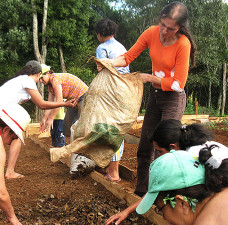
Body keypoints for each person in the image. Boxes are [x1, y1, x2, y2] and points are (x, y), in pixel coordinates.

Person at [97, 1, 197, 196]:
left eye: (171, 28)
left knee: (165, 148)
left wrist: (150, 78)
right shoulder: (151, 33)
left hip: (173, 99)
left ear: (180, 28)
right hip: (155, 96)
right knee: (145, 145)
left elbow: (178, 84)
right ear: (159, 20)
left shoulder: (183, 44)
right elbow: (127, 58)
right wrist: (108, 62)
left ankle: (165, 196)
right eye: (162, 24)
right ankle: (142, 193)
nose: (164, 31)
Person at [106, 119, 226, 224]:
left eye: (160, 151)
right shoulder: (190, 154)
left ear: (173, 146)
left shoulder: (190, 159)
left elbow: (162, 191)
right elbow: (160, 190)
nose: (160, 156)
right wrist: (127, 211)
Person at [0, 60, 76, 179]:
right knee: (17, 136)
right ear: (38, 73)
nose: (39, 80)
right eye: (39, 77)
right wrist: (64, 104)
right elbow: (41, 104)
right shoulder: (28, 80)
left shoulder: (20, 79)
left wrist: (46, 117)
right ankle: (9, 171)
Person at [95, 18, 130, 182]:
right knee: (117, 128)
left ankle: (114, 172)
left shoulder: (102, 48)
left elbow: (103, 71)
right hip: (125, 90)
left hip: (112, 92)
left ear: (99, 34)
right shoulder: (121, 47)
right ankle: (110, 167)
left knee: (110, 129)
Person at [39, 64, 88, 137]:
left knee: (82, 122)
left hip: (83, 95)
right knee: (66, 126)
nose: (40, 81)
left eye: (42, 78)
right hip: (72, 101)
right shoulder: (50, 86)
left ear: (48, 73)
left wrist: (51, 118)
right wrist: (44, 119)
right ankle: (68, 146)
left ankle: (85, 146)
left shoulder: (55, 79)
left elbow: (59, 102)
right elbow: (50, 104)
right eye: (39, 79)